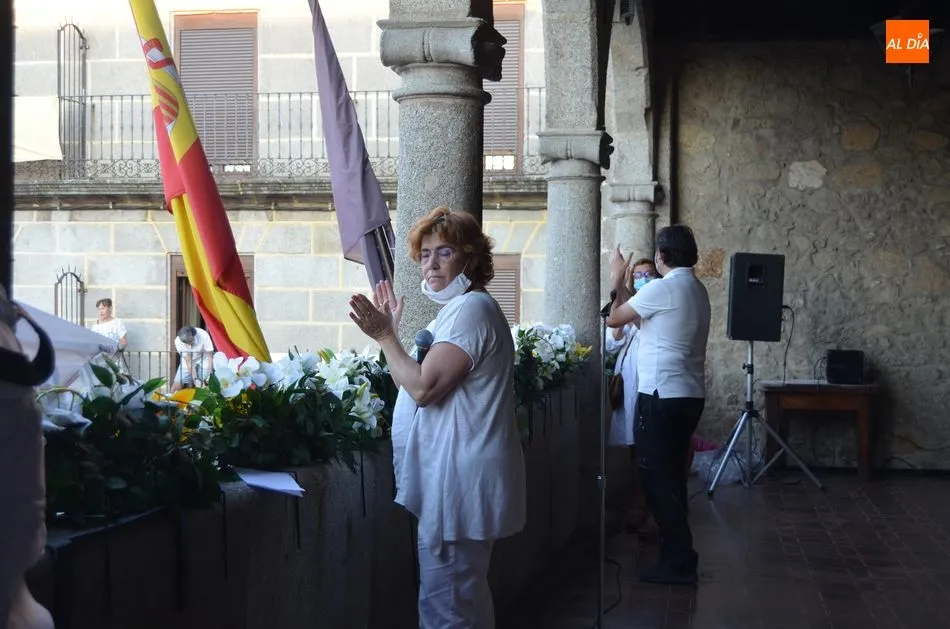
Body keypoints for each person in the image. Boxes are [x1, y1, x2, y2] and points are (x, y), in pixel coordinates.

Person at [348, 206, 526, 628]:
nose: (430, 264)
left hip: (458, 487)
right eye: (425, 254)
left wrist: (385, 335)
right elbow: (418, 379)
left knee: (447, 611)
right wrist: (391, 336)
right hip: (458, 481)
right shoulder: (464, 310)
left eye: (444, 253)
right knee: (464, 601)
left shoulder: (471, 311)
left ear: (472, 260)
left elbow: (424, 388)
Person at [606, 224, 711, 586]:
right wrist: (625, 287)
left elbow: (614, 318)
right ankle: (679, 556)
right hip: (688, 395)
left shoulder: (666, 288)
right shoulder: (696, 288)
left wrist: (617, 278)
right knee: (673, 479)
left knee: (656, 481)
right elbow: (637, 309)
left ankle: (680, 562)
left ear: (662, 256)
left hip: (661, 397)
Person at [604, 257, 657, 536]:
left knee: (648, 452)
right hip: (631, 388)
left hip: (650, 387)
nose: (643, 279)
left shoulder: (654, 304)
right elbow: (611, 342)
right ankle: (639, 506)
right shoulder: (627, 307)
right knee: (634, 452)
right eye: (638, 275)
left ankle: (649, 509)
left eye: (649, 274)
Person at [172, 326, 214, 391]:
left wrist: (209, 374)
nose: (189, 345)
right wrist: (195, 379)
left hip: (204, 360)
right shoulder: (178, 341)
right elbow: (188, 361)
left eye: (190, 341)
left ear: (194, 335)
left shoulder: (203, 335)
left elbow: (210, 356)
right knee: (176, 385)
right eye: (186, 343)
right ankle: (171, 400)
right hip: (187, 362)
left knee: (205, 385)